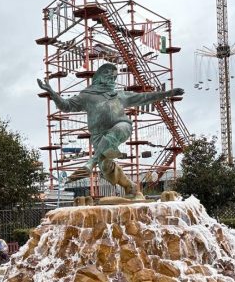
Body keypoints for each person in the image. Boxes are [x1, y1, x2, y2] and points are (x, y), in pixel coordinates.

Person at [38, 63, 183, 199]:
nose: (112, 80)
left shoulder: (120, 95)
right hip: (99, 136)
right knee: (106, 167)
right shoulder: (87, 96)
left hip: (122, 126)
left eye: (114, 77)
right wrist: (52, 92)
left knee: (118, 129)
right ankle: (130, 186)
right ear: (100, 77)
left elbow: (145, 97)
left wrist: (167, 93)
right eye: (109, 76)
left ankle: (92, 161)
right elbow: (66, 106)